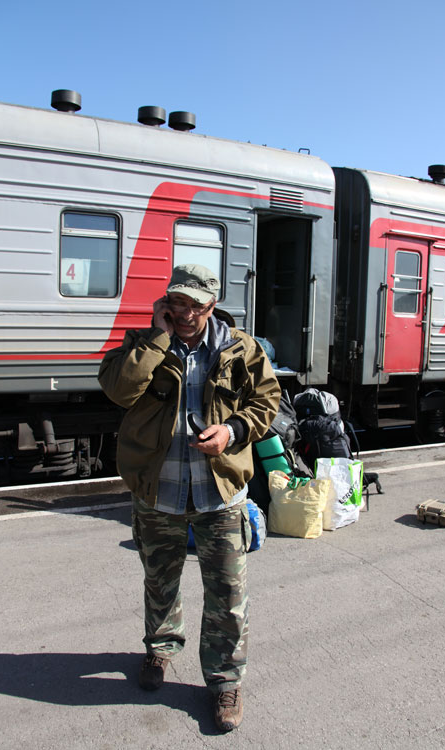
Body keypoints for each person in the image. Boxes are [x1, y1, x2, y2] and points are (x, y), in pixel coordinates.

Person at [98, 264, 280, 732]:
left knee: (228, 595)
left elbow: (267, 401)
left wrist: (232, 431)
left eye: (194, 305)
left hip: (220, 494)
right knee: (160, 582)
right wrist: (157, 340)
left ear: (211, 306)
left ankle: (224, 681)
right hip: (159, 492)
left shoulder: (241, 348)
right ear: (165, 303)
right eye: (176, 302)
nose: (184, 313)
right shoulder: (143, 343)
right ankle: (160, 649)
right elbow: (118, 390)